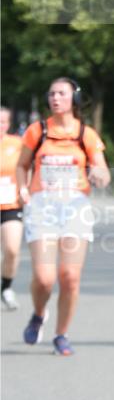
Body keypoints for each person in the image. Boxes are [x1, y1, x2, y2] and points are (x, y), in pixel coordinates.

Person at [15, 78, 110, 356]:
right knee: (45, 279)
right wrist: (22, 188)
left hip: (75, 208)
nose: (55, 98)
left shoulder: (85, 134)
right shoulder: (38, 131)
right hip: (42, 206)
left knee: (69, 277)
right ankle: (38, 313)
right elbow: (21, 165)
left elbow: (103, 170)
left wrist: (99, 174)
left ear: (74, 99)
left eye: (62, 93)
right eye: (52, 94)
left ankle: (61, 334)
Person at [0, 107, 24, 311]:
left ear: (8, 124)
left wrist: (26, 189)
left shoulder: (17, 144)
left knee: (12, 249)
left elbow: (27, 167)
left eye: (3, 122)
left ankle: (6, 288)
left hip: (10, 204)